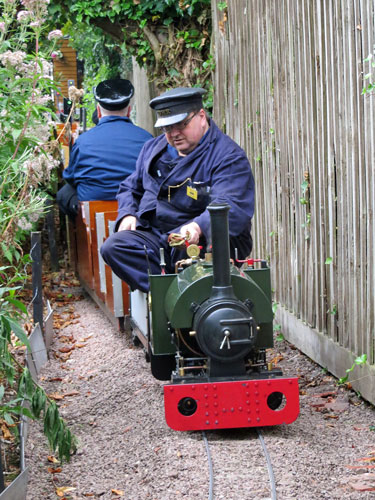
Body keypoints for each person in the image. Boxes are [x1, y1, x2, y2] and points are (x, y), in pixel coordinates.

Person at [100, 87, 255, 293]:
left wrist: (198, 227)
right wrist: (127, 213)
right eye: (167, 128)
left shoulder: (227, 156)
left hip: (203, 240)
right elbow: (130, 187)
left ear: (201, 116)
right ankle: (171, 298)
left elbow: (231, 205)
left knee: (197, 254)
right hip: (156, 235)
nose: (174, 134)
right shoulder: (152, 149)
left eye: (181, 125)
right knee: (113, 247)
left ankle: (182, 300)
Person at [57, 78, 153, 216]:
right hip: (137, 210)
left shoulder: (82, 141)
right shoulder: (148, 139)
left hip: (93, 214)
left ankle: (80, 235)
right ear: (129, 111)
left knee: (64, 193)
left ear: (99, 112)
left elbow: (70, 177)